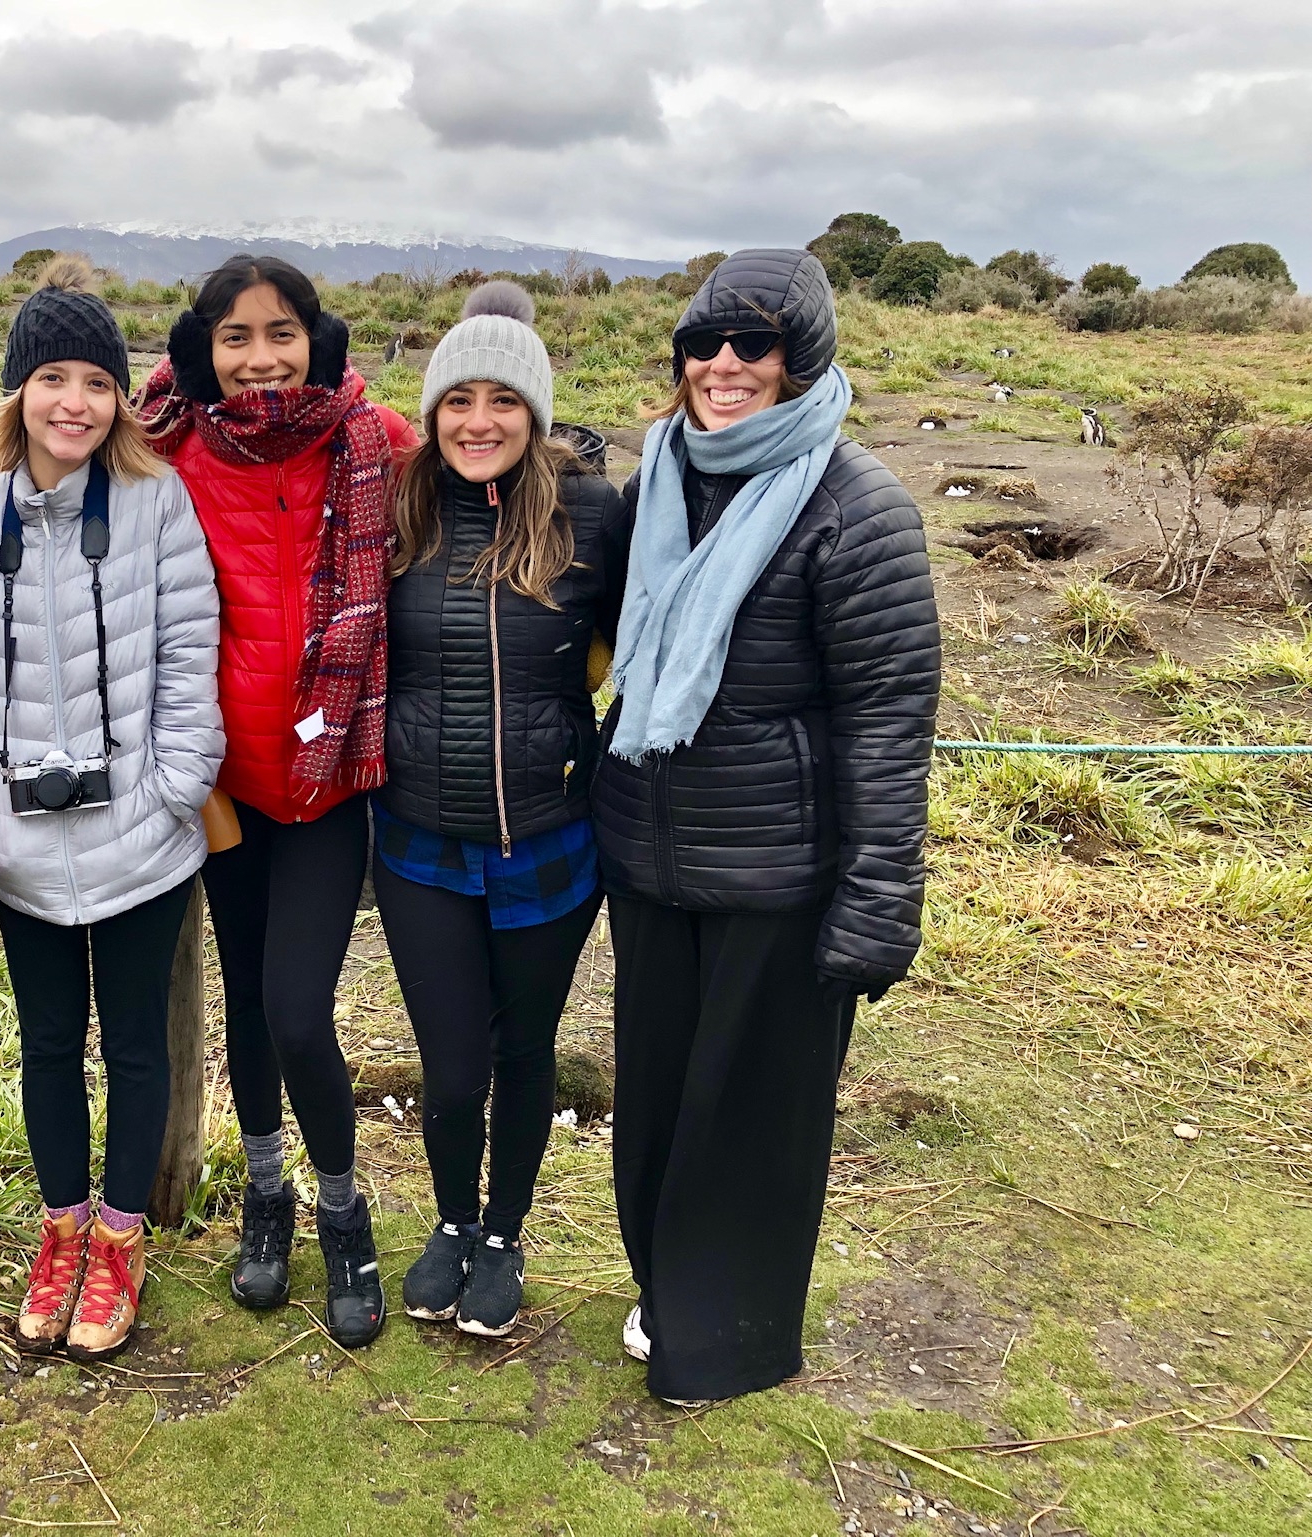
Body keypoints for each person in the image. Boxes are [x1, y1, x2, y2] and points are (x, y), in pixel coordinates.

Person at [590, 250, 940, 1404]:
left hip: (784, 876)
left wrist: (880, 901)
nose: (725, 365)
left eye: (756, 343)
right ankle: (663, 1288)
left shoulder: (857, 507)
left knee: (751, 1119)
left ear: (806, 358)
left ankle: (725, 1338)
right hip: (649, 857)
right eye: (706, 342)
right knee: (652, 1102)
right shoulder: (658, 485)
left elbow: (889, 724)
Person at [0, 259, 222, 1362]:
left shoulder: (156, 500)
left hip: (142, 836)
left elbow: (191, 652)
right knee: (49, 1042)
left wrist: (173, 792)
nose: (74, 403)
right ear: (18, 393)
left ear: (120, 398)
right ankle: (58, 1231)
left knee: (138, 1045)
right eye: (51, 378)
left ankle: (119, 1238)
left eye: (96, 382)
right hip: (17, 840)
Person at [138, 255, 415, 1347]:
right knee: (248, 1006)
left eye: (282, 332)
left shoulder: (375, 443)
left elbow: (493, 465)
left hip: (331, 780)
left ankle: (345, 1212)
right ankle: (267, 1200)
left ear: (319, 338)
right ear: (202, 350)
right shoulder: (168, 454)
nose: (261, 358)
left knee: (299, 1008)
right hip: (224, 784)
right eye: (237, 337)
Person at [375, 284, 628, 1337]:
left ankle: (504, 1233)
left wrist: (595, 758)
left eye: (503, 400)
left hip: (552, 848)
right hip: (420, 849)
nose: (479, 421)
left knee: (524, 1051)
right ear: (432, 415)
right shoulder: (396, 510)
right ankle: (446, 1220)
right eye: (458, 401)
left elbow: (657, 645)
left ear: (535, 410)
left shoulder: (597, 513)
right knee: (452, 1061)